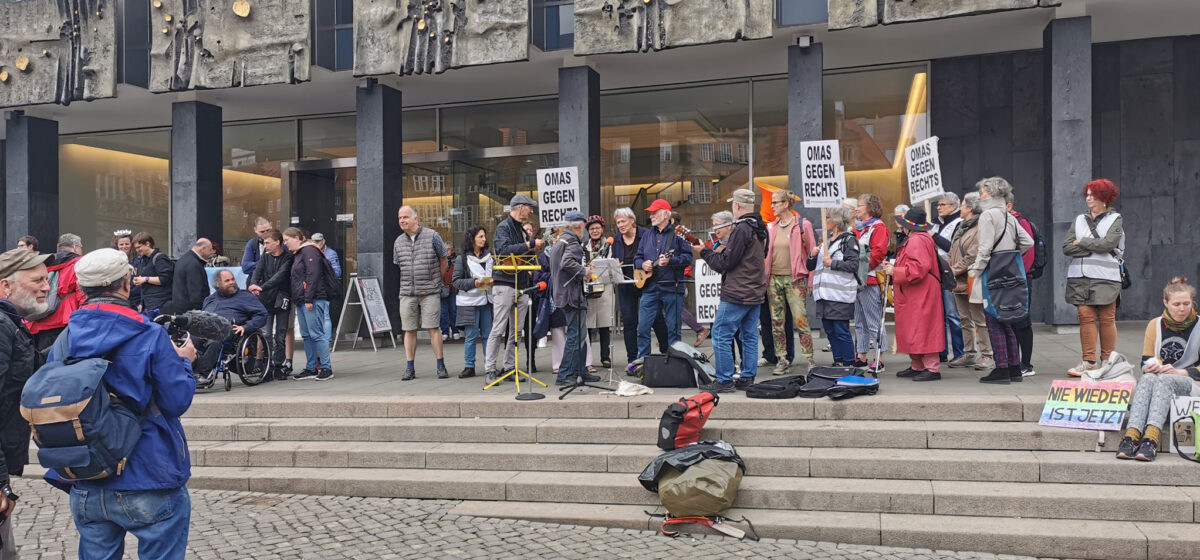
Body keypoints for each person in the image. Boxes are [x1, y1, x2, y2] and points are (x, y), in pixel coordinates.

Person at [48, 248, 197, 560]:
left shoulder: (66, 337)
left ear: (81, 288)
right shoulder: (149, 334)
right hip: (148, 471)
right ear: (127, 283)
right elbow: (176, 400)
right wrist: (184, 362)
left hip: (87, 475)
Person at [0, 248, 52, 552]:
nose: (47, 287)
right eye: (39, 280)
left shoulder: (11, 323)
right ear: (6, 286)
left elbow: (30, 367)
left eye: (48, 279)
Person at [1116, 277, 1200, 462]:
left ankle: (1151, 438)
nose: (1182, 308)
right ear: (1166, 303)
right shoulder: (1155, 324)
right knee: (1147, 378)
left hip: (1193, 383)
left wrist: (1180, 372)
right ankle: (1131, 436)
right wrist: (1153, 366)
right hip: (1161, 383)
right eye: (1176, 304)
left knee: (1163, 379)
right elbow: (1146, 360)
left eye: (1186, 303)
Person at [695, 189, 767, 393]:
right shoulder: (760, 227)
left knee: (720, 333)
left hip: (738, 290)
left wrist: (705, 252)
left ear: (736, 206)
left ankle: (724, 379)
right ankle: (747, 377)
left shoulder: (742, 228)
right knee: (749, 335)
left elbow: (725, 263)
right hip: (755, 290)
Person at [970, 177, 1034, 384]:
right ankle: (1014, 368)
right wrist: (1009, 256)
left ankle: (1002, 369)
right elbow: (1028, 241)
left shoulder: (988, 215)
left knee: (993, 320)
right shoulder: (1009, 216)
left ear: (992, 193)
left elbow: (984, 248)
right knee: (1006, 320)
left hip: (992, 273)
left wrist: (975, 270)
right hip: (1009, 272)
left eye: (982, 192)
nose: (980, 195)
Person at [1063, 178, 1124, 377]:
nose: (1088, 198)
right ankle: (1089, 362)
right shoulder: (1079, 219)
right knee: (1085, 317)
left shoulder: (1115, 219)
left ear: (1104, 198)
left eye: (1093, 194)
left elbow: (1108, 245)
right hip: (1079, 277)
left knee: (1107, 319)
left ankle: (1107, 362)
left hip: (1106, 277)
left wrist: (1082, 243)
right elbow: (1067, 247)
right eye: (1087, 194)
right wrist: (1087, 246)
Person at [485, 194, 545, 384]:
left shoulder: (521, 229)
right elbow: (503, 251)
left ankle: (510, 367)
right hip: (504, 283)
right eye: (529, 207)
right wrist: (528, 244)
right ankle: (489, 369)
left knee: (516, 332)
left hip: (521, 284)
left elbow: (522, 252)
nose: (531, 211)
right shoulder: (504, 227)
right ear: (520, 207)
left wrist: (532, 248)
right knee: (498, 328)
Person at [883, 208, 946, 381]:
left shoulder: (917, 241)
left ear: (908, 227)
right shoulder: (919, 238)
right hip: (917, 292)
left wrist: (894, 270)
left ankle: (931, 369)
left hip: (920, 292)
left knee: (923, 328)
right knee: (917, 328)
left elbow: (918, 268)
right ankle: (918, 365)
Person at [764, 189, 819, 374]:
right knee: (777, 321)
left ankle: (809, 358)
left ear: (786, 204)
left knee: (801, 319)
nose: (772, 206)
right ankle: (782, 359)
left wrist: (810, 279)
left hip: (795, 279)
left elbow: (812, 254)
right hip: (774, 279)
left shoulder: (803, 225)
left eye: (775, 203)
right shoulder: (771, 227)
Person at [633, 199, 693, 367]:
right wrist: (642, 264)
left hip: (671, 286)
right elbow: (637, 257)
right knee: (643, 327)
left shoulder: (678, 233)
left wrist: (671, 261)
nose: (651, 215)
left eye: (655, 212)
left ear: (666, 213)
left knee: (674, 329)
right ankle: (643, 362)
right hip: (650, 287)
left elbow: (688, 258)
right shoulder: (647, 235)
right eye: (651, 212)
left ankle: (675, 362)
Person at [393, 206, 450, 380]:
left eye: (405, 217)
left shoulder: (433, 236)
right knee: (408, 330)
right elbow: (399, 265)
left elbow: (443, 259)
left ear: (416, 219)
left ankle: (441, 365)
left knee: (433, 328)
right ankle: (409, 367)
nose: (402, 220)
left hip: (430, 291)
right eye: (400, 217)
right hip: (407, 292)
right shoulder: (398, 242)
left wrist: (436, 281)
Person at [611, 208, 667, 369]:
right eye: (618, 223)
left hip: (647, 283)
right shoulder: (616, 240)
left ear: (632, 221)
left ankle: (665, 352)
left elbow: (656, 255)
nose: (620, 225)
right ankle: (633, 360)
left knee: (656, 318)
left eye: (623, 221)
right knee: (629, 321)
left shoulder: (647, 234)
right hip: (626, 284)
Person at [549, 212, 600, 386]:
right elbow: (567, 263)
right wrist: (585, 272)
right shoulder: (572, 242)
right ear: (579, 225)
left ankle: (581, 371)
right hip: (572, 296)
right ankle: (565, 374)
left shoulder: (561, 240)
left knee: (579, 333)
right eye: (584, 225)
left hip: (563, 293)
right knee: (575, 335)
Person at [193, 270, 268, 384]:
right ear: (218, 284)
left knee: (215, 341)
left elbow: (262, 314)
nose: (232, 282)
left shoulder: (245, 297)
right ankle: (186, 373)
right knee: (186, 340)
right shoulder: (210, 299)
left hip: (229, 331)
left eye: (232, 279)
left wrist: (246, 327)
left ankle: (203, 374)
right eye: (227, 280)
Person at [947, 193, 995, 371]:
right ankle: (970, 353)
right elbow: (953, 250)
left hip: (972, 278)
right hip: (958, 280)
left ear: (970, 208)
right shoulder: (962, 227)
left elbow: (972, 256)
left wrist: (953, 270)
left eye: (962, 205)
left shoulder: (980, 227)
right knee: (964, 318)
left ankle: (987, 354)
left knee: (979, 319)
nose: (960, 208)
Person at [808, 207, 860, 367]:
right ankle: (838, 361)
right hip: (824, 294)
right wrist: (812, 255)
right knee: (830, 330)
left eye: (828, 217)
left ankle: (849, 362)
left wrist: (833, 263)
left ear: (837, 221)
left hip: (839, 295)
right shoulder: (826, 240)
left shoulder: (849, 240)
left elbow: (854, 264)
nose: (825, 221)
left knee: (840, 330)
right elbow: (811, 266)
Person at [283, 228, 334, 380]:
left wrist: (308, 298)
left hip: (312, 299)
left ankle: (326, 367)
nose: (285, 244)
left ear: (297, 238)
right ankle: (311, 367)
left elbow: (313, 274)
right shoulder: (300, 253)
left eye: (287, 240)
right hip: (303, 299)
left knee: (316, 334)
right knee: (307, 335)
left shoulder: (309, 251)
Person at [248, 229, 293, 381]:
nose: (265, 246)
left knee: (280, 334)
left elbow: (280, 276)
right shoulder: (265, 257)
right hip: (266, 300)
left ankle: (278, 366)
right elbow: (257, 272)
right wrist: (254, 284)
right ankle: (267, 366)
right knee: (266, 334)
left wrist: (262, 287)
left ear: (277, 242)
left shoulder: (288, 258)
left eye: (268, 243)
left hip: (281, 299)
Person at [28, 233, 85, 351]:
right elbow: (83, 296)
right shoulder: (79, 264)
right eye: (81, 247)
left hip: (37, 324)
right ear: (75, 246)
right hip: (63, 325)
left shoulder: (43, 263)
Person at [853, 195, 889, 372]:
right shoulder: (859, 228)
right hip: (858, 279)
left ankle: (879, 358)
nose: (856, 208)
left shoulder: (878, 227)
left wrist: (858, 266)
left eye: (860, 205)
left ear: (870, 207)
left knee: (873, 321)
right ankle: (861, 356)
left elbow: (878, 253)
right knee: (859, 321)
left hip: (870, 279)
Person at [451, 227, 494, 378]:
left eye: (484, 236)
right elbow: (455, 281)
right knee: (471, 336)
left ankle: (490, 365)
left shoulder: (489, 258)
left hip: (487, 301)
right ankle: (469, 366)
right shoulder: (462, 259)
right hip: (469, 302)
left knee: (488, 335)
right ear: (472, 239)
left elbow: (495, 275)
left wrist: (493, 281)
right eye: (480, 236)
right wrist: (473, 283)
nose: (484, 239)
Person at [933, 193, 965, 363]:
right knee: (939, 315)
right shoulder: (938, 224)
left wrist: (934, 236)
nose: (939, 207)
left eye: (942, 204)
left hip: (950, 272)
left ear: (953, 206)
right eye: (938, 204)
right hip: (937, 272)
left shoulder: (958, 223)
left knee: (953, 314)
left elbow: (952, 248)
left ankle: (960, 352)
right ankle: (942, 350)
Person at [583, 215, 615, 370]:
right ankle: (587, 358)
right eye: (591, 229)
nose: (595, 231)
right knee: (588, 325)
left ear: (602, 229)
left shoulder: (608, 246)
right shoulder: (584, 247)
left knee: (604, 325)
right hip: (589, 289)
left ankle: (605, 357)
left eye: (597, 228)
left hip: (605, 288)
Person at [131, 232, 174, 314]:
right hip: (148, 304)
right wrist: (141, 303)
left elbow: (165, 279)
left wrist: (145, 279)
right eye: (135, 248)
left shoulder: (160, 258)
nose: (137, 250)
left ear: (147, 244)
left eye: (139, 247)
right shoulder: (142, 260)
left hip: (161, 302)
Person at [171, 238, 216, 313]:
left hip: (180, 308)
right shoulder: (194, 264)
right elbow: (196, 293)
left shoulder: (183, 259)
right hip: (191, 312)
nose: (212, 253)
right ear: (203, 248)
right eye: (210, 249)